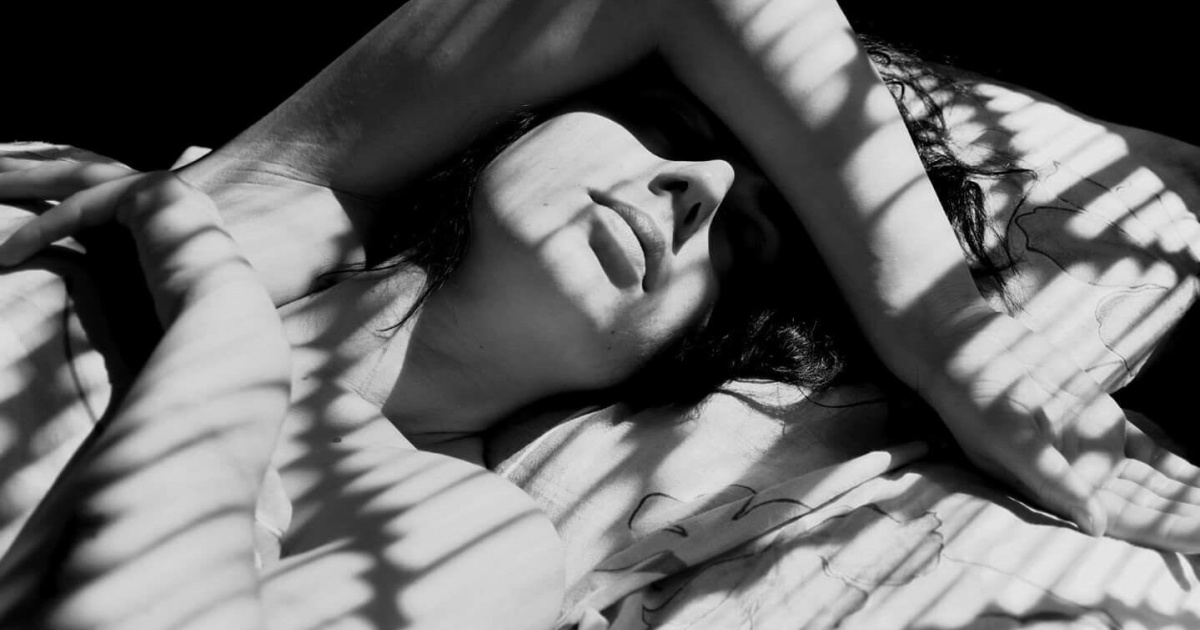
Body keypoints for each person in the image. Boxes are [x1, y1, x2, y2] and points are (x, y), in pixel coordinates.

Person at [0, 0, 1196, 628]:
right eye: (673, 130)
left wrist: (217, 323)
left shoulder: (462, 534)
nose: (696, 189)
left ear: (698, 351)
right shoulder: (261, 196)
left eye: (743, 244)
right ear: (527, 108)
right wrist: (944, 335)